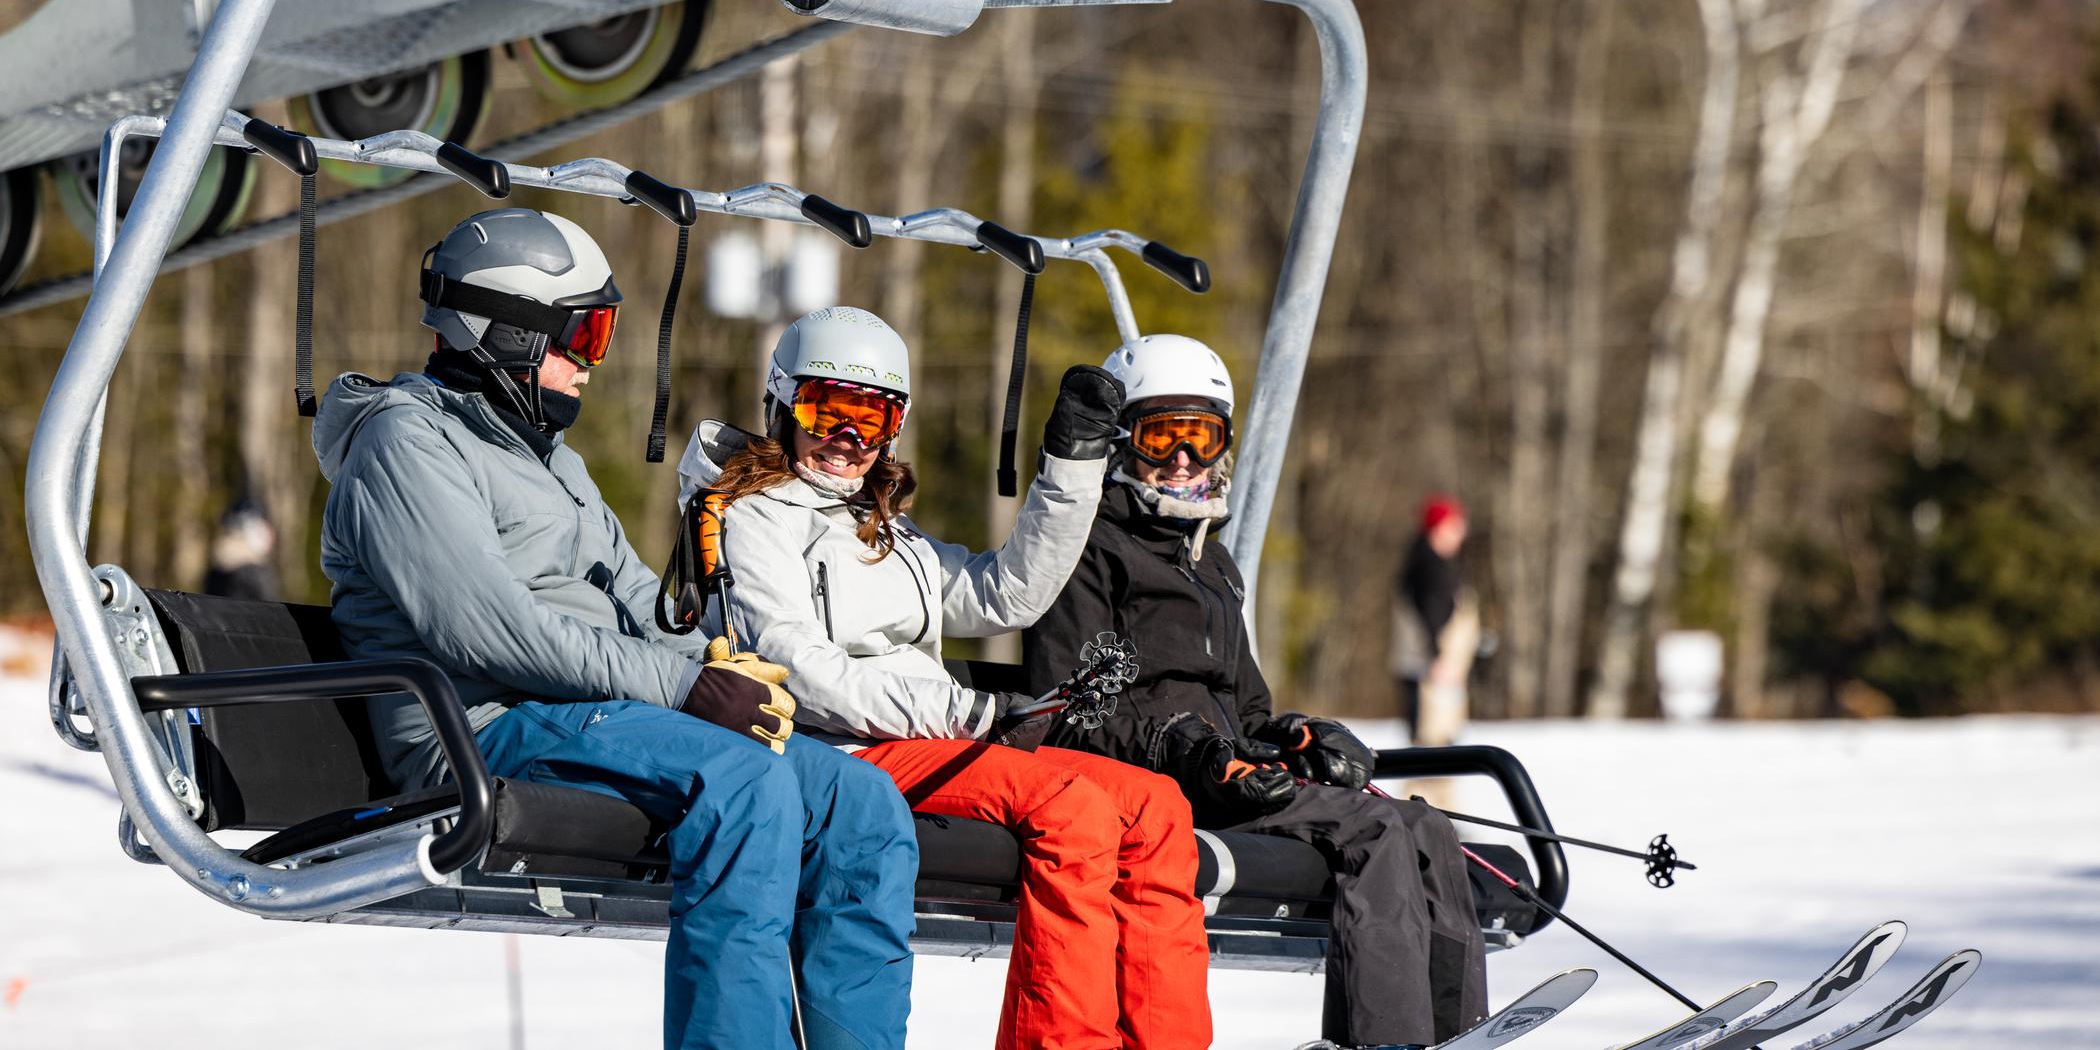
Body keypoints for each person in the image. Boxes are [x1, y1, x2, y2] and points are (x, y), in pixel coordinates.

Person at [315, 210, 917, 1050]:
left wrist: (719, 665)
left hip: (594, 715)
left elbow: (637, 595)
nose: (592, 363)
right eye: (582, 335)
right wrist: (685, 686)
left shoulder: (549, 458)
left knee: (863, 804)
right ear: (506, 332)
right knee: (745, 786)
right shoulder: (403, 443)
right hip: (483, 726)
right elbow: (490, 629)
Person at [678, 306, 1213, 1050]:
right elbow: (796, 666)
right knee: (1073, 810)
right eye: (827, 410)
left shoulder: (883, 529)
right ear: (783, 405)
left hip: (924, 737)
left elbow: (1005, 595)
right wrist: (968, 710)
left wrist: (1072, 467)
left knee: (1156, 807)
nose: (848, 438)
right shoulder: (750, 516)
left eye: (872, 416)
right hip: (842, 750)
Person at [1021, 334, 1488, 1050]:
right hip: (1150, 788)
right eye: (1161, 436)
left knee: (1425, 827)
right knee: (1372, 831)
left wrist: (1300, 737)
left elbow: (1247, 711)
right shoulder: (1087, 549)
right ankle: (1384, 1040)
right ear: (1122, 442)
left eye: (1201, 437)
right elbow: (1067, 711)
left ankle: (1456, 1032)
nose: (1183, 458)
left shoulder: (1214, 563)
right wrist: (1190, 750)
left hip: (1224, 778)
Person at [1392, 494, 1478, 747]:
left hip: (1429, 671)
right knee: (1433, 746)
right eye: (1455, 527)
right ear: (1438, 528)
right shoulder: (1430, 568)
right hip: (1431, 674)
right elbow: (1431, 615)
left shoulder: (1424, 562)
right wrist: (1437, 656)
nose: (1461, 534)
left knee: (1433, 745)